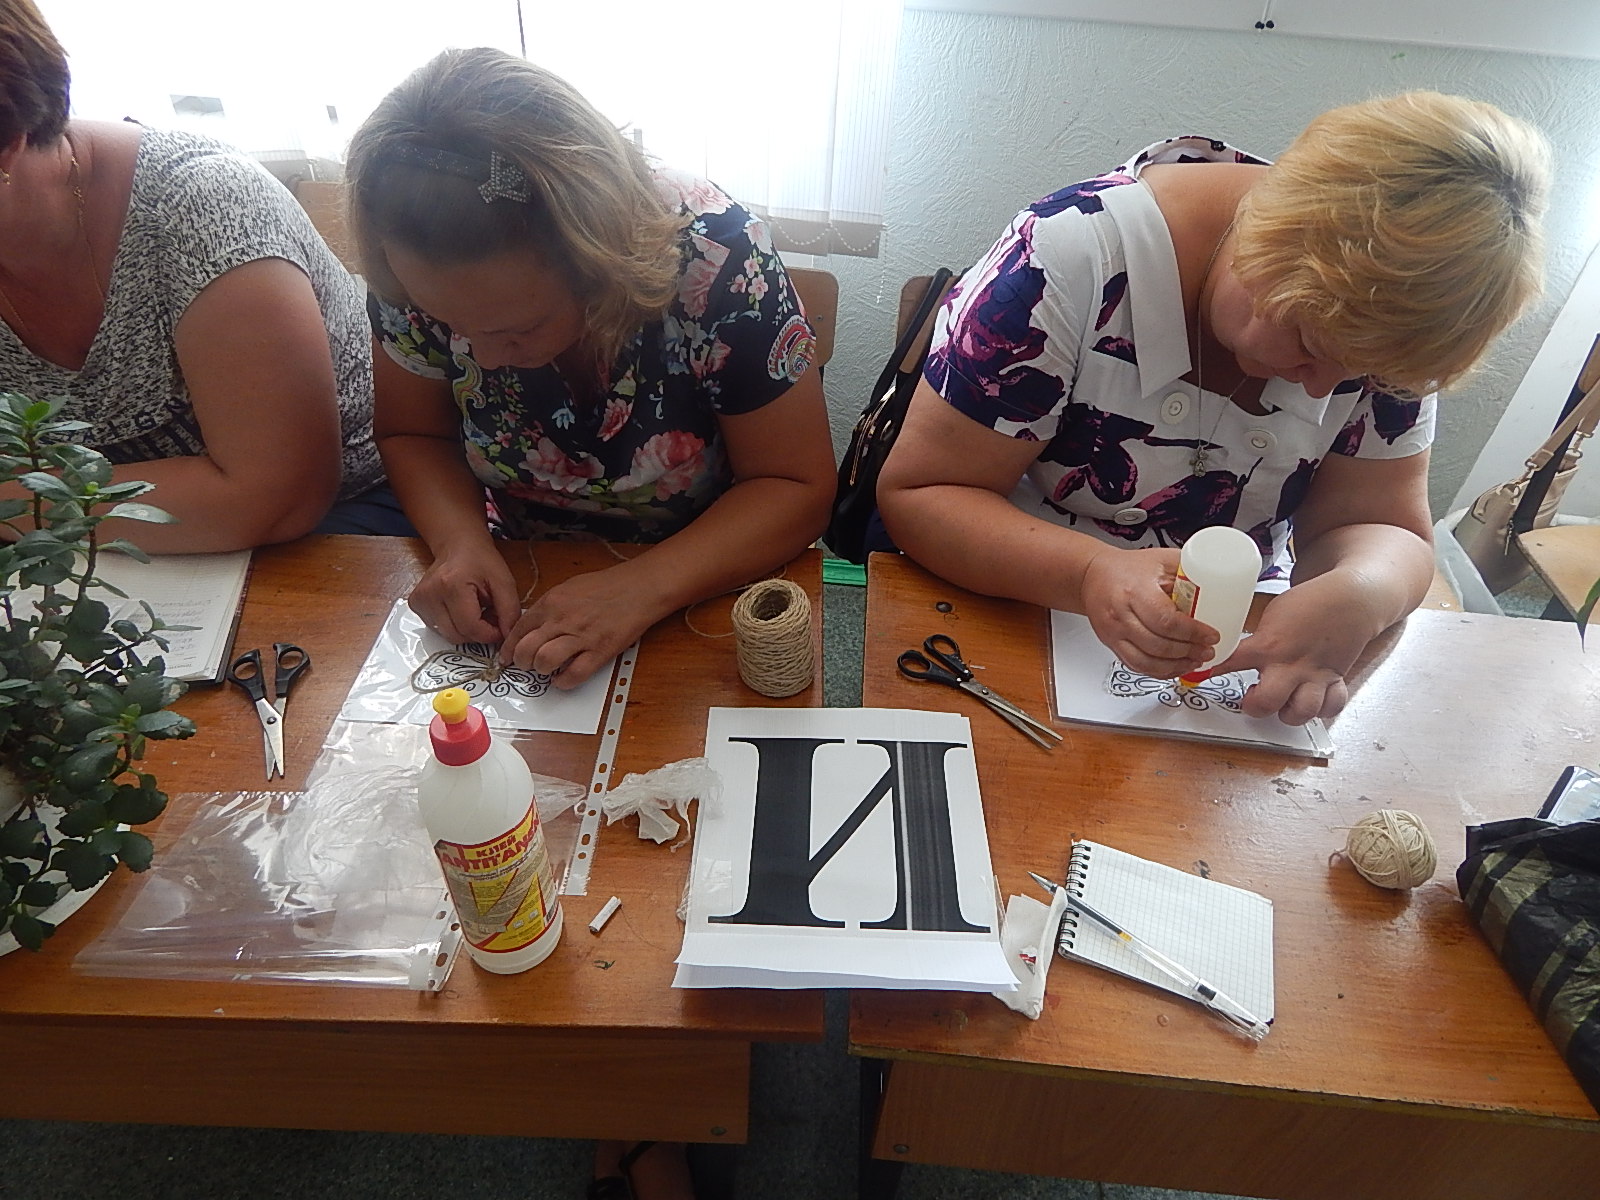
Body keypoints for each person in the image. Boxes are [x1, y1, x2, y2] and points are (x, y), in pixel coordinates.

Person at [877, 92, 1550, 727]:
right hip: (1017, 609)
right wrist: (1087, 573)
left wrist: (1361, 592)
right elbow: (923, 494)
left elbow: (1384, 525)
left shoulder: (1392, 322)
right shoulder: (1067, 257)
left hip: (1236, 640)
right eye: (1311, 346)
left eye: (1364, 375)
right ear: (1268, 246)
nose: (1325, 391)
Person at [345, 48, 834, 694]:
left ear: (602, 267)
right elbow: (415, 433)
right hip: (525, 568)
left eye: (517, 329)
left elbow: (795, 485)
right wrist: (460, 542)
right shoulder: (415, 261)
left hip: (710, 582)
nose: (480, 357)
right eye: (448, 323)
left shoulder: (718, 258)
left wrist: (640, 589)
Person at [0, 0, 396, 552]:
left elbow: (272, 496)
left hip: (338, 533)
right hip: (93, 548)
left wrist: (17, 505)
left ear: (10, 142)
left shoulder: (204, 205)